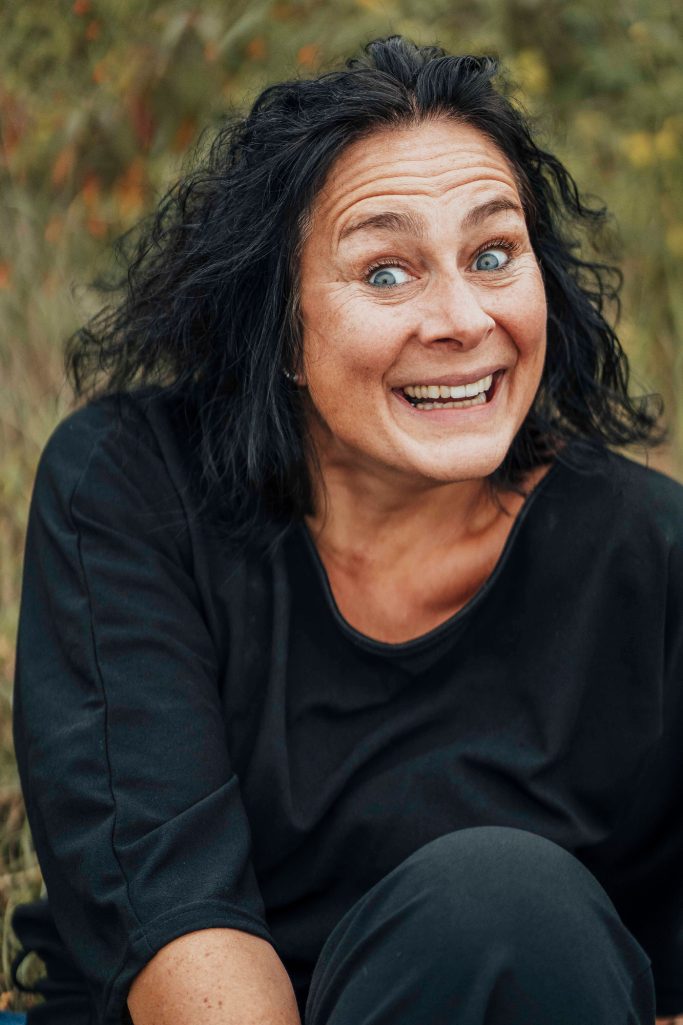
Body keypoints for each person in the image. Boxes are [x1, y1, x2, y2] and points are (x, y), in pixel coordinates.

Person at [8, 34, 683, 1025]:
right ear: (278, 326)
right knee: (489, 904)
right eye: (385, 273)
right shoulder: (133, 486)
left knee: (504, 913)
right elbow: (169, 922)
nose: (462, 319)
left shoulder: (650, 555)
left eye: (493, 254)